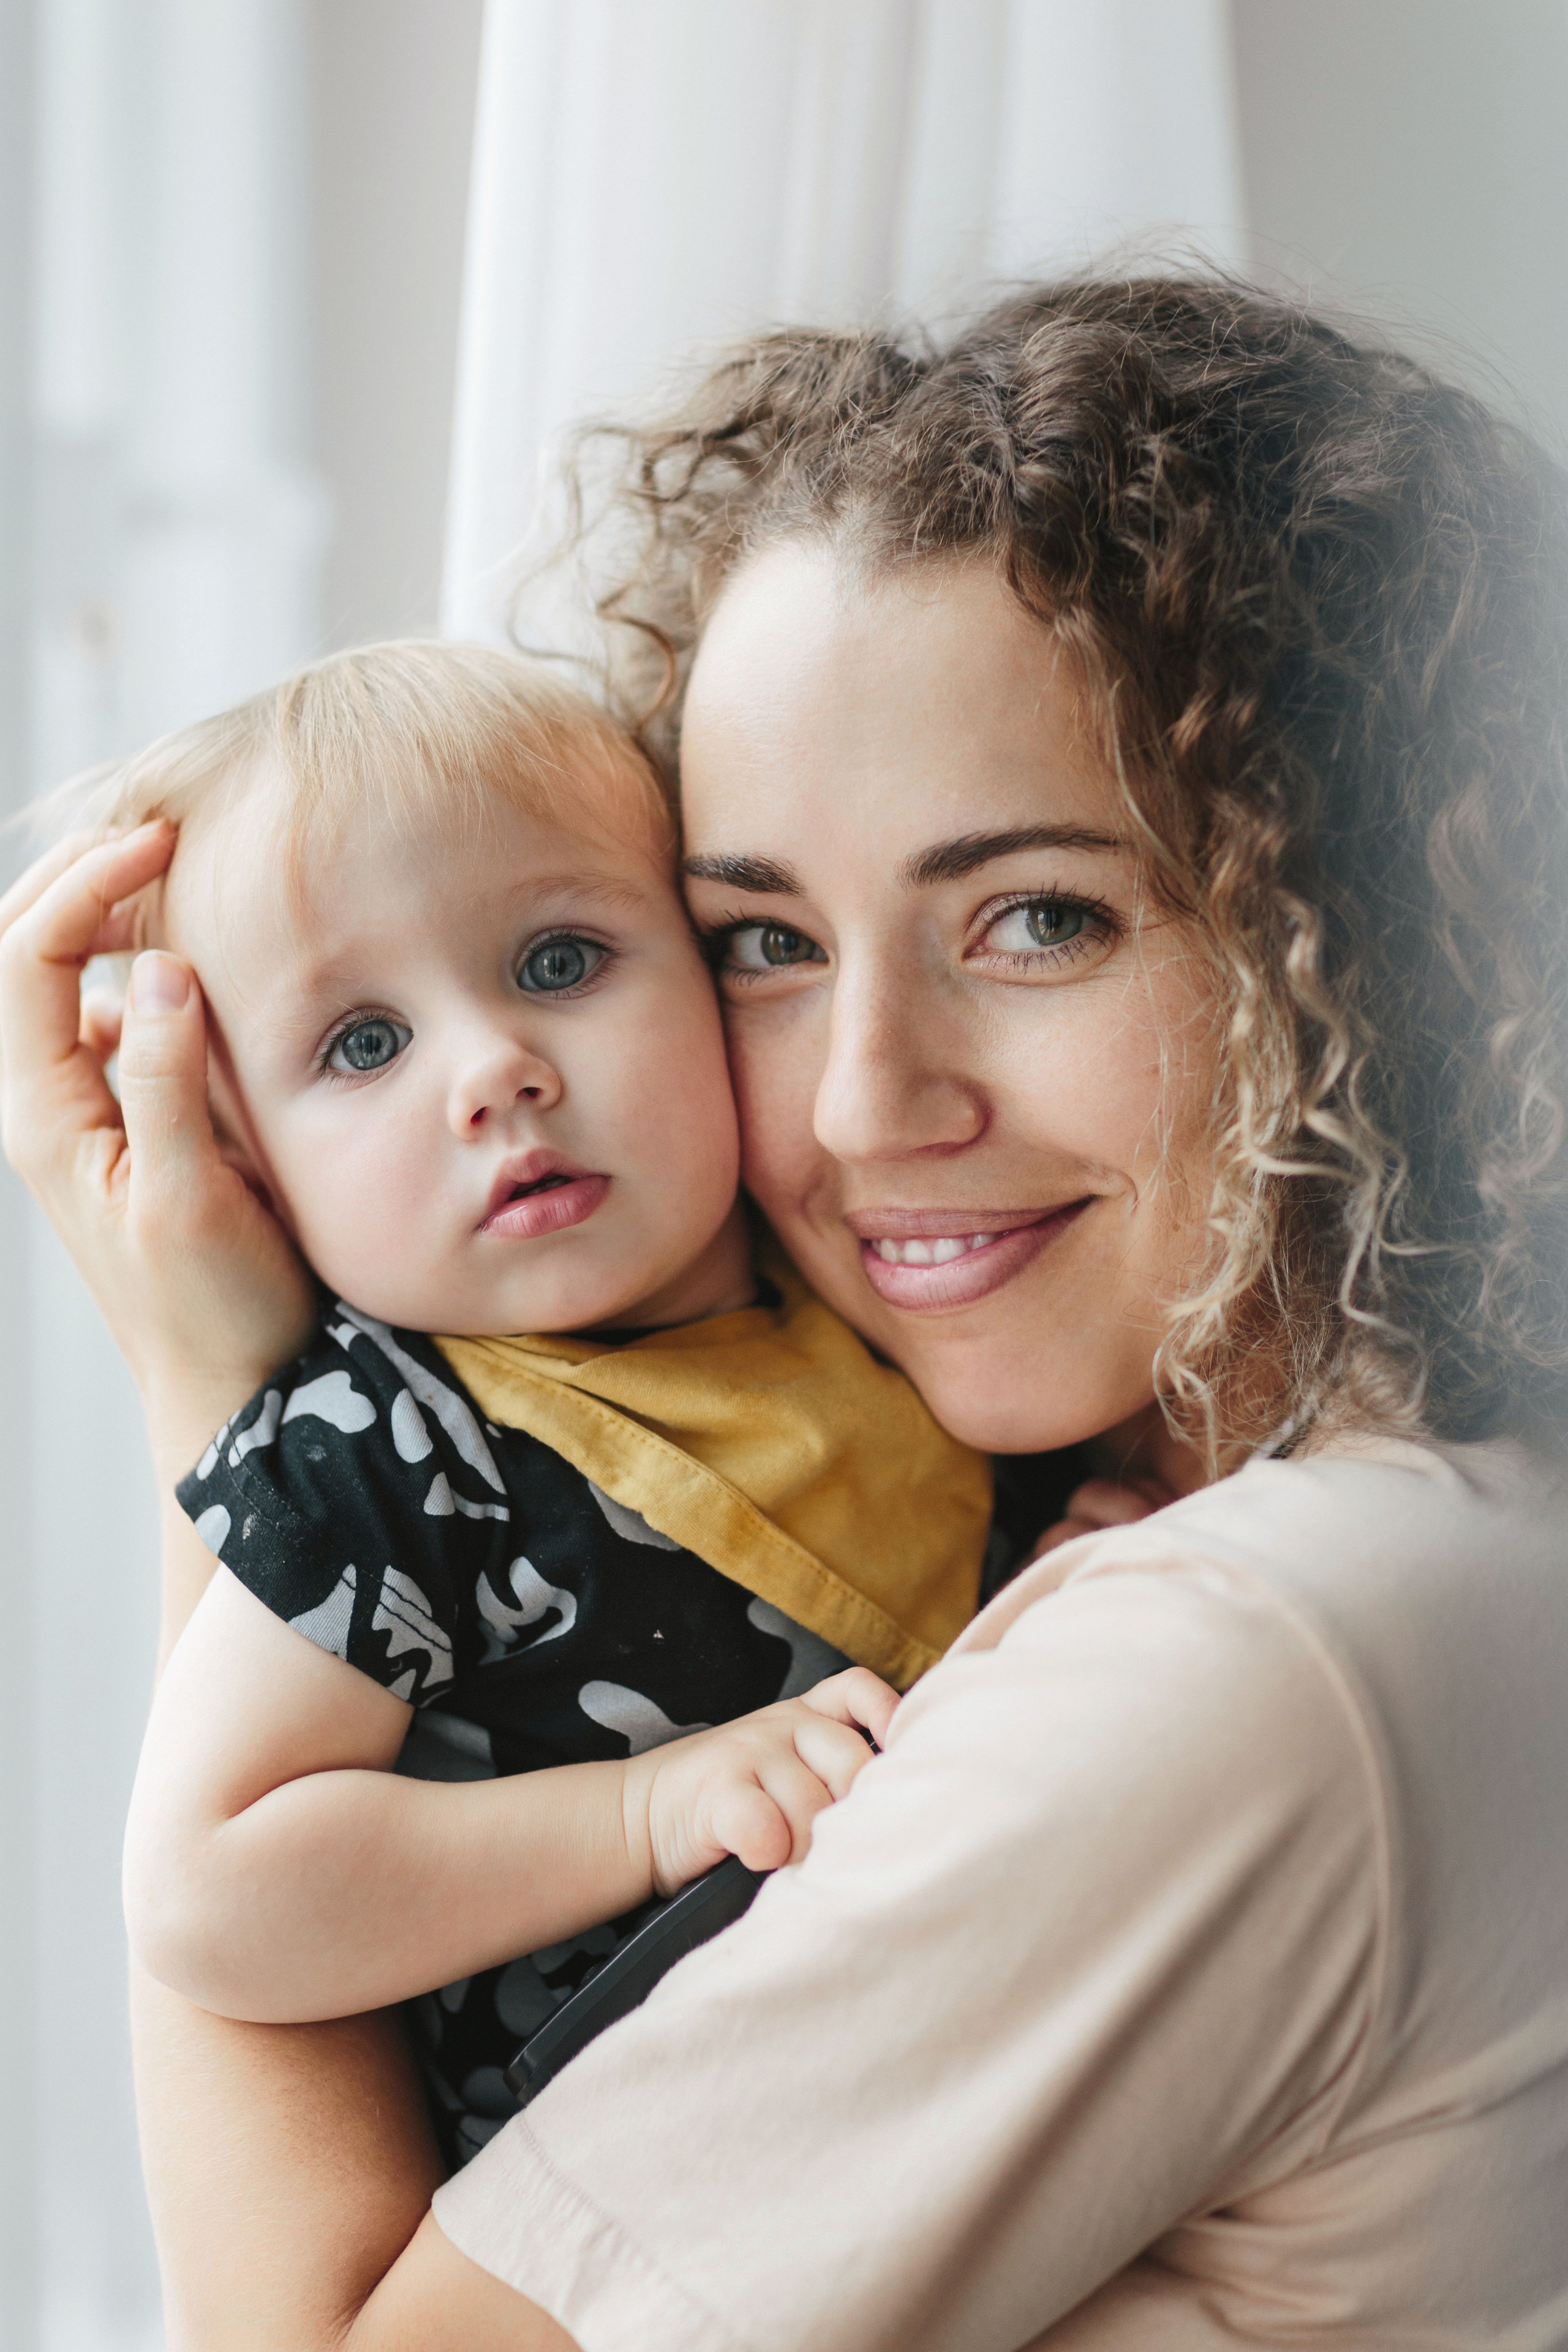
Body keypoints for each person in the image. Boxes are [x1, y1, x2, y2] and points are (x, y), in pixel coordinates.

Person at [3, 274, 1566, 2350]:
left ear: (1360, 929)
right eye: (760, 938)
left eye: (1036, 920)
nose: (859, 1106)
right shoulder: (1295, 1518)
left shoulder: (1250, 1656)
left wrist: (227, 1416)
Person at [53, 638, 984, 2168]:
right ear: (245, 1163)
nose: (491, 1069)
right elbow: (211, 1892)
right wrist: (646, 1814)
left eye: (558, 961)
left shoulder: (866, 1290)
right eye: (361, 1044)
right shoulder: (384, 1444)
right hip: (593, 2231)